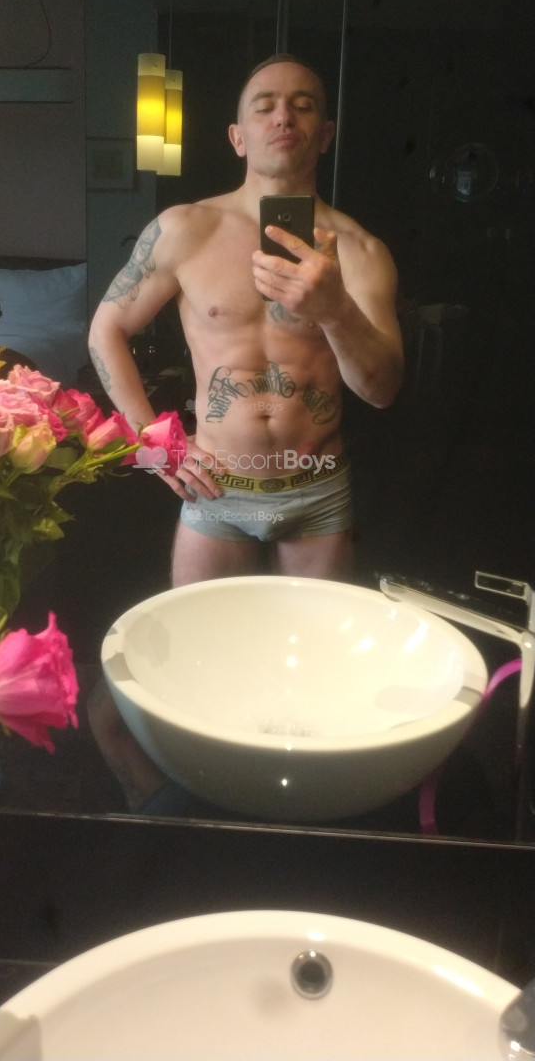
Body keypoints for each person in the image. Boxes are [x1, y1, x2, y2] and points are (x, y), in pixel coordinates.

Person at [87, 55, 403, 808]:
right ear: (237, 134)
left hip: (317, 492)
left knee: (315, 685)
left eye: (302, 105)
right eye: (264, 104)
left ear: (325, 133)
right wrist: (152, 440)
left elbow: (383, 388)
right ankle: (181, 820)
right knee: (193, 679)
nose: (282, 116)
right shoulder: (185, 229)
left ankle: (282, 819)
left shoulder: (358, 252)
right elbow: (106, 330)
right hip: (216, 490)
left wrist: (333, 309)